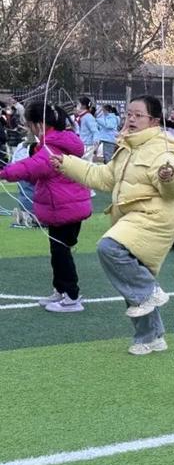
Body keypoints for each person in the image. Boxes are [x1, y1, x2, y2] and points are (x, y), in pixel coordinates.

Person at [51, 96, 174, 354]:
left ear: (154, 121)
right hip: (132, 217)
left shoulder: (164, 148)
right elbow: (103, 177)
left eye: (138, 115)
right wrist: (67, 164)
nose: (131, 119)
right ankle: (151, 337)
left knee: (109, 248)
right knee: (132, 281)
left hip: (153, 218)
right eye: (129, 114)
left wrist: (169, 177)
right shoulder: (127, 147)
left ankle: (151, 291)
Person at [0, 103, 92, 311]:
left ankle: (71, 296)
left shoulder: (51, 148)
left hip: (65, 207)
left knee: (61, 252)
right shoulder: (57, 141)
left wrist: (4, 173)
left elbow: (29, 167)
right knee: (57, 250)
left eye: (29, 124)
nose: (29, 129)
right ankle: (60, 290)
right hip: (66, 206)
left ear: (39, 124)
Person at [74, 96, 99, 162]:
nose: (77, 106)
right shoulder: (82, 116)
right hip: (83, 143)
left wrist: (96, 143)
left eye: (78, 104)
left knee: (86, 163)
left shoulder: (88, 117)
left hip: (88, 145)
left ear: (83, 106)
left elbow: (95, 131)